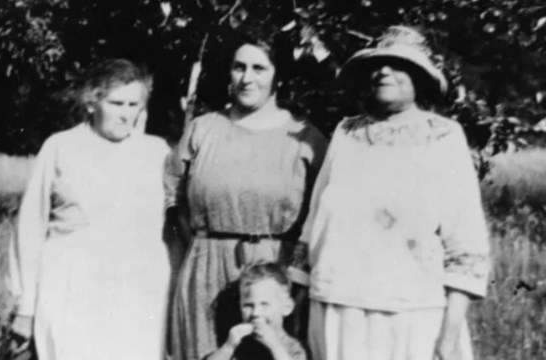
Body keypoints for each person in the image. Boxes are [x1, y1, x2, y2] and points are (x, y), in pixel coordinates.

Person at [294, 26, 490, 360]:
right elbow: (315, 224)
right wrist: (297, 307)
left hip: (413, 313)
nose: (383, 71)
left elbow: (466, 239)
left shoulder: (444, 136)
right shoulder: (346, 132)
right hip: (336, 306)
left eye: (398, 64)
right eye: (378, 64)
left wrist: (449, 334)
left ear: (420, 78)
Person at [166, 24, 328, 360]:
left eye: (259, 68)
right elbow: (173, 199)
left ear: (277, 75)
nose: (247, 78)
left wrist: (292, 281)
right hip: (204, 271)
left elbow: (321, 217)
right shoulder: (203, 129)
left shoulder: (304, 138)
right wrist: (197, 252)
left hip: (273, 275)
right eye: (239, 67)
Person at [8, 59, 170, 360]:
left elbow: (173, 226)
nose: (125, 114)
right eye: (116, 103)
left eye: (133, 104)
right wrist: (26, 307)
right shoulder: (60, 147)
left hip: (138, 294)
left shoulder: (156, 152)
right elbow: (29, 229)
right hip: (72, 291)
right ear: (92, 102)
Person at [206, 262, 307, 360]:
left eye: (264, 304)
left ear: (287, 307)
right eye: (248, 305)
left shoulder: (292, 348)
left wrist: (275, 346)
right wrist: (229, 346)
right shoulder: (241, 345)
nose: (255, 313)